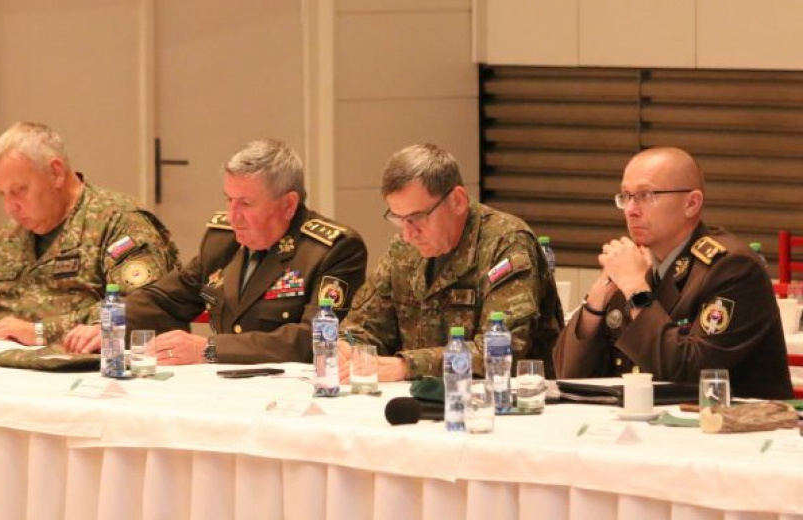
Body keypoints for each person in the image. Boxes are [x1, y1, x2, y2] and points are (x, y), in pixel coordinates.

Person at [65, 139, 368, 364]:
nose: (234, 216)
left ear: (288, 204)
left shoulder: (332, 249)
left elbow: (313, 338)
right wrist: (111, 323)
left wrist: (209, 349)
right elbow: (168, 297)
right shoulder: (223, 240)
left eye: (246, 203)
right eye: (229, 200)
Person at [553, 147, 793, 399]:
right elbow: (568, 375)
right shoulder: (636, 264)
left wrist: (636, 289)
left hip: (728, 419)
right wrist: (596, 301)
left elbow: (690, 374)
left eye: (646, 195)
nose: (630, 209)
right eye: (626, 196)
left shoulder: (733, 268)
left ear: (691, 203)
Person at [0, 121, 179, 345]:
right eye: (3, 194)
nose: (9, 207)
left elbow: (144, 310)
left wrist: (41, 332)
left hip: (84, 370)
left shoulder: (121, 223)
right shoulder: (13, 235)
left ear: (56, 173)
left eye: (19, 190)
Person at [339, 143, 563, 382]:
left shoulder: (506, 244)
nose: (408, 234)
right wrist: (347, 348)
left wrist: (407, 366)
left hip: (507, 398)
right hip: (419, 397)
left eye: (417, 218)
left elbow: (499, 351)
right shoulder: (404, 249)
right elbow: (362, 328)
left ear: (457, 201)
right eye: (398, 219)